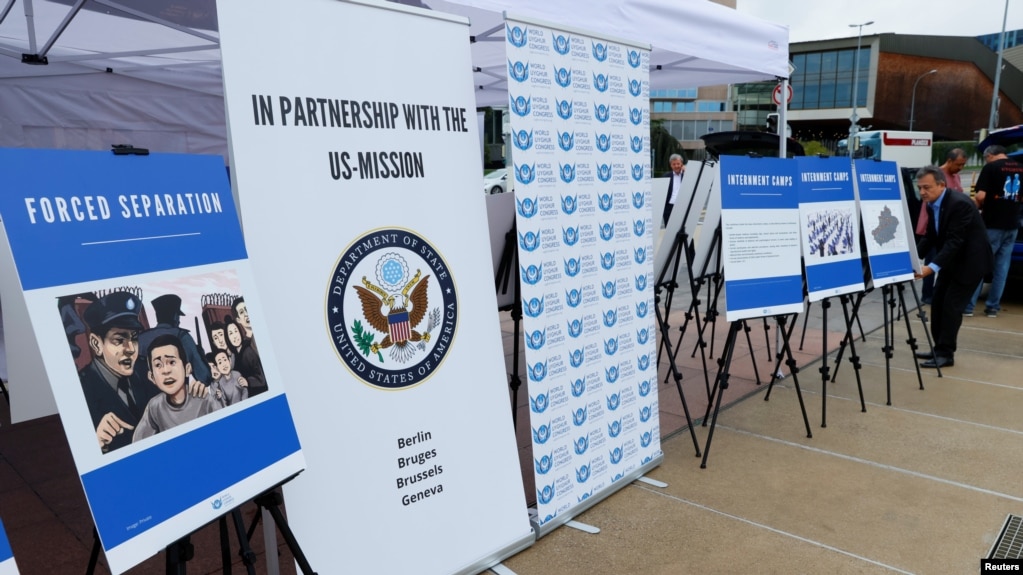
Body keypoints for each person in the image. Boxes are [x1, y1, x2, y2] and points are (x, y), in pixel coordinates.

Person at [913, 166, 993, 368]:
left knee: (951, 307)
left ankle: (946, 354)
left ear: (941, 185)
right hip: (951, 262)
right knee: (938, 303)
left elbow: (954, 241)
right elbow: (931, 236)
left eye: (927, 187)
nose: (922, 192)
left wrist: (930, 268)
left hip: (969, 264)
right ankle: (938, 347)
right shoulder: (932, 204)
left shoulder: (960, 204)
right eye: (920, 188)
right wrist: (913, 259)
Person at [79, 291, 158, 452]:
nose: (130, 349)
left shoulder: (145, 372)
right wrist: (96, 442)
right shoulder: (82, 388)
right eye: (119, 340)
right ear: (96, 344)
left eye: (134, 338)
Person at [965, 144, 1023, 317]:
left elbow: (981, 196)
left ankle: (968, 307)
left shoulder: (990, 168)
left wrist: (973, 207)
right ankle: (992, 307)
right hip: (1012, 225)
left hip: (992, 224)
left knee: (980, 264)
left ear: (989, 155)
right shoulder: (1021, 167)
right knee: (1002, 268)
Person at [133, 334, 225, 442]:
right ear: (152, 377)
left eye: (172, 362)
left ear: (187, 369)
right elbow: (138, 442)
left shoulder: (203, 399)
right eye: (158, 365)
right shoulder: (154, 407)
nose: (166, 370)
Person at [916, 148, 968, 304]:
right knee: (931, 261)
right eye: (958, 164)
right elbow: (931, 234)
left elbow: (955, 241)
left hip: (951, 233)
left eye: (963, 165)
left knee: (938, 265)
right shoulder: (934, 177)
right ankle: (927, 295)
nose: (960, 168)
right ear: (949, 161)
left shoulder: (956, 183)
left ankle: (936, 295)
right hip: (935, 230)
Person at [135, 294, 212, 386]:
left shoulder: (140, 339)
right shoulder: (183, 337)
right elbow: (204, 378)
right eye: (178, 316)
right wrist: (200, 354)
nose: (179, 320)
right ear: (175, 316)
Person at [226, 316, 267, 396]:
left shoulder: (248, 351)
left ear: (240, 332)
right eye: (230, 333)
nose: (235, 336)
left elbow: (262, 379)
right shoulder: (235, 355)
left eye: (236, 331)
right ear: (228, 338)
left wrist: (247, 381)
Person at [661, 153, 685, 227]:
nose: (676, 166)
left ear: (682, 164)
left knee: (684, 228)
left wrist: (687, 171)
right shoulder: (666, 176)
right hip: (669, 207)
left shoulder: (687, 175)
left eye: (678, 163)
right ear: (671, 165)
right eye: (674, 164)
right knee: (669, 229)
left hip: (683, 206)